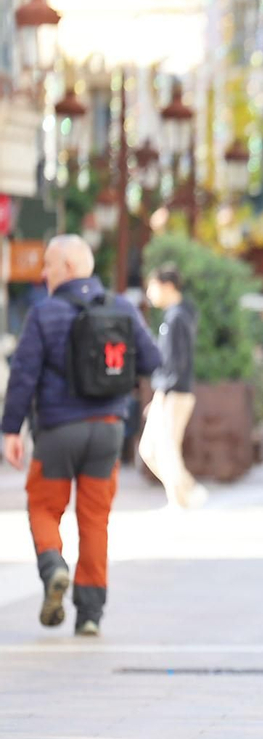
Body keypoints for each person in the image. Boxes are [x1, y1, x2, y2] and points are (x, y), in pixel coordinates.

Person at [2, 235, 161, 636]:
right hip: (107, 431)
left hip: (57, 431)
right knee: (94, 520)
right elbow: (152, 359)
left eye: (50, 265)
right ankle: (90, 614)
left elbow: (23, 376)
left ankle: (54, 566)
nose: (43, 273)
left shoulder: (44, 314)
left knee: (42, 506)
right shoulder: (121, 307)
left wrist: (10, 429)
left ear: (69, 268)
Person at [139, 265, 206, 509]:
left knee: (164, 449)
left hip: (174, 392)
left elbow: (176, 362)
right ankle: (188, 491)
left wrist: (163, 393)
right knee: (151, 448)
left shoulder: (178, 317)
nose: (150, 293)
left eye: (152, 286)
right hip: (171, 391)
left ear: (167, 286)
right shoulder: (177, 315)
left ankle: (180, 500)